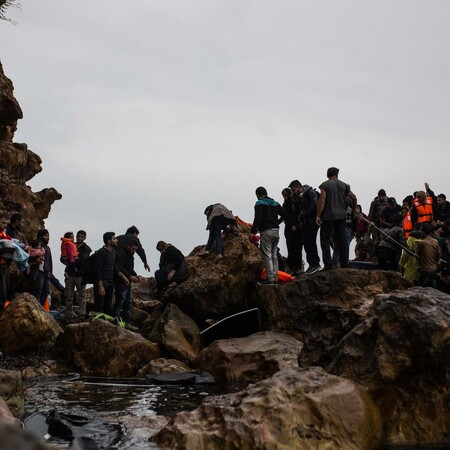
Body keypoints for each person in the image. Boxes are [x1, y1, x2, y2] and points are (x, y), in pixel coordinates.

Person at [315, 167, 357, 270]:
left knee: (325, 239)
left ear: (327, 174)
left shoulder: (325, 185)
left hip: (329, 216)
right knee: (343, 239)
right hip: (342, 216)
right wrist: (354, 208)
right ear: (337, 174)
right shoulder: (344, 185)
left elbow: (322, 199)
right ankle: (344, 263)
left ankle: (328, 264)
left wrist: (318, 215)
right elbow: (354, 197)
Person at [251, 186, 288, 285]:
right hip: (276, 231)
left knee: (267, 255)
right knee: (274, 255)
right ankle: (275, 278)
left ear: (258, 195)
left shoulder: (259, 203)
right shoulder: (275, 203)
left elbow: (257, 218)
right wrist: (276, 222)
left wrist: (253, 230)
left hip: (266, 231)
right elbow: (285, 215)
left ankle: (270, 279)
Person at [289, 180, 321, 275]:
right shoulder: (301, 197)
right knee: (307, 244)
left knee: (310, 243)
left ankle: (315, 264)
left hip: (312, 222)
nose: (293, 192)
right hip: (306, 223)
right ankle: (311, 264)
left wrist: (303, 215)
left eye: (293, 189)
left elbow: (314, 206)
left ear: (298, 187)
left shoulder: (310, 193)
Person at [63, 230, 92, 322]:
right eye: (78, 236)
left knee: (81, 297)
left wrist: (71, 262)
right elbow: (63, 257)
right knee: (69, 296)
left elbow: (83, 261)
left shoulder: (86, 248)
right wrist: (71, 261)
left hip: (80, 275)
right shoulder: (70, 244)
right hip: (70, 274)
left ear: (84, 238)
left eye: (81, 237)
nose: (79, 238)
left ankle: (81, 316)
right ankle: (68, 316)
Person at [113, 238, 140, 323]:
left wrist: (135, 275)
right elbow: (119, 267)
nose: (134, 251)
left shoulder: (130, 255)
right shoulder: (121, 253)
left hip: (127, 282)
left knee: (128, 302)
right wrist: (129, 276)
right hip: (120, 282)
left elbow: (130, 268)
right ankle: (116, 320)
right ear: (128, 246)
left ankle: (127, 322)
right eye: (133, 249)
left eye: (135, 249)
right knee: (120, 301)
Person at [93, 232, 120, 315]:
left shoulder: (113, 252)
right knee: (99, 307)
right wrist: (100, 286)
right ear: (109, 241)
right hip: (102, 283)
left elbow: (113, 266)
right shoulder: (101, 252)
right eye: (114, 239)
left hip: (110, 282)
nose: (117, 240)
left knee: (108, 307)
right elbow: (97, 270)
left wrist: (121, 275)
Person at [283, 182, 302, 276]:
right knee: (290, 248)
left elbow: (299, 215)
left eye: (286, 195)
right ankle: (292, 267)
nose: (285, 197)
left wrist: (296, 225)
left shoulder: (298, 202)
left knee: (298, 248)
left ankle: (298, 267)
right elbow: (285, 216)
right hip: (289, 229)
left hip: (298, 228)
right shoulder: (286, 204)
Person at [416, 223, 440, 288]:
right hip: (434, 269)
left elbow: (416, 256)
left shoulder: (422, 243)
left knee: (422, 289)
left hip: (425, 270)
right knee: (433, 289)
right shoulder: (435, 241)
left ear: (423, 232)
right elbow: (438, 256)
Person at [0, 214, 12, 315]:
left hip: (3, 265)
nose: (5, 225)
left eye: (6, 224)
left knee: (3, 292)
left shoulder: (3, 234)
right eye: (3, 223)